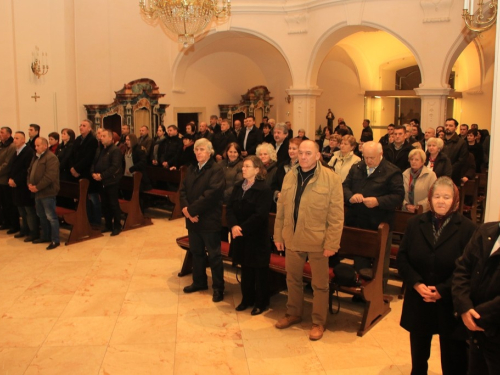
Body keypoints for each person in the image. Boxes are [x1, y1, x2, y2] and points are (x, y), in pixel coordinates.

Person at [397, 177, 476, 375]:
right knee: (419, 356)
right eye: (437, 196)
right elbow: (403, 257)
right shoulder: (415, 223)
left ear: (455, 201)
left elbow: (469, 268)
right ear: (430, 199)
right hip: (419, 297)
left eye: (446, 197)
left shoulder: (468, 228)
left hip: (451, 301)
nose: (441, 201)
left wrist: (442, 290)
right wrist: (415, 283)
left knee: (454, 358)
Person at [274, 140, 344, 341]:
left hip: (318, 241)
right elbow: (282, 209)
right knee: (292, 279)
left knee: (320, 285)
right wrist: (278, 235)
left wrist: (332, 243)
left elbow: (336, 215)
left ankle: (318, 322)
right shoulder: (290, 176)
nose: (303, 157)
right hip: (293, 238)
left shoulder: (331, 179)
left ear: (318, 155)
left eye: (308, 153)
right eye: (301, 153)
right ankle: (293, 312)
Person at [343, 141, 404, 289]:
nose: (368, 161)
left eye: (372, 158)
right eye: (366, 157)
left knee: (380, 258)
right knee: (360, 256)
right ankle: (361, 287)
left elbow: (398, 196)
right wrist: (351, 196)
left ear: (380, 154)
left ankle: (378, 290)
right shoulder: (357, 167)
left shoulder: (392, 171)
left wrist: (378, 201)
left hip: (379, 222)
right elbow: (344, 186)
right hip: (358, 220)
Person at [179, 138, 225, 302]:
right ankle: (199, 282)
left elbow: (211, 195)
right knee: (196, 252)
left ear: (210, 152)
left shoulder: (216, 169)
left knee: (214, 255)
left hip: (208, 219)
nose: (198, 152)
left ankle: (218, 288)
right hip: (192, 219)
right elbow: (182, 190)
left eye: (202, 149)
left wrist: (190, 210)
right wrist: (186, 210)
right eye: (196, 149)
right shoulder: (192, 168)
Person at [227, 156, 273, 315]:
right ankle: (246, 299)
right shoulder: (239, 186)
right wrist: (233, 225)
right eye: (243, 167)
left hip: (256, 236)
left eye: (247, 166)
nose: (243, 169)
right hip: (239, 234)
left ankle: (261, 302)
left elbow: (260, 215)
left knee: (259, 271)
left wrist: (241, 228)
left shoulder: (264, 189)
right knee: (245, 268)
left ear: (257, 169)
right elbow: (230, 208)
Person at [453, 220, 500, 375]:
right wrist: (465, 307)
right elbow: (463, 269)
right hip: (476, 333)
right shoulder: (486, 230)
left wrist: (477, 316)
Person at [28, 137, 61, 250]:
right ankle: (45, 236)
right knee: (41, 215)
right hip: (37, 192)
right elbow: (29, 171)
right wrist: (30, 184)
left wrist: (37, 187)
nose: (35, 147)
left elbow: (49, 177)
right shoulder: (36, 157)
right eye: (35, 146)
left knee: (51, 216)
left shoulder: (51, 158)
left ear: (45, 146)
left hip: (47, 192)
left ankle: (55, 239)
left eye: (38, 146)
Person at [91, 129, 124, 236]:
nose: (101, 137)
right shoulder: (100, 149)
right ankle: (108, 225)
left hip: (111, 181)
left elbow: (115, 167)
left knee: (113, 204)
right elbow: (94, 162)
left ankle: (117, 226)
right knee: (104, 204)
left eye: (104, 136)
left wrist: (102, 175)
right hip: (101, 181)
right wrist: (93, 173)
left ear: (110, 138)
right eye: (101, 136)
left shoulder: (115, 150)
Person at [8, 131, 38, 242]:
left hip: (24, 186)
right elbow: (13, 167)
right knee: (21, 210)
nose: (14, 140)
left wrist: (16, 180)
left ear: (23, 140)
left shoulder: (28, 152)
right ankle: (24, 230)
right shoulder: (16, 152)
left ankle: (33, 232)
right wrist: (10, 178)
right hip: (16, 185)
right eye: (14, 138)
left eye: (17, 138)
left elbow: (26, 170)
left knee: (28, 210)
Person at [402, 149, 437, 213]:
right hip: (406, 211)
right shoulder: (405, 174)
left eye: (416, 159)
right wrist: (406, 205)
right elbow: (399, 193)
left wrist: (418, 207)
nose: (413, 162)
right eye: (411, 159)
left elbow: (432, 195)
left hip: (424, 212)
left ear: (422, 161)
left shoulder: (431, 175)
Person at [123, 133, 152, 211]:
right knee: (127, 193)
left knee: (137, 195)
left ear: (133, 140)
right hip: (127, 176)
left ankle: (139, 211)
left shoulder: (138, 150)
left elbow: (142, 162)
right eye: (126, 140)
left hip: (138, 177)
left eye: (128, 140)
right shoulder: (126, 150)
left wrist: (132, 169)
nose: (127, 141)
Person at [0, 126, 18, 233]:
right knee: (3, 203)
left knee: (9, 203)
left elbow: (7, 164)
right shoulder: (1, 145)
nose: (0, 134)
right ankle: (5, 221)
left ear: (8, 134)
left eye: (2, 132)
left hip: (5, 179)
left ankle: (13, 224)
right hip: (0, 179)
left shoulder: (11, 146)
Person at [442, 118, 469, 186]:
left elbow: (461, 160)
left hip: (454, 176)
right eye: (446, 125)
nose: (447, 127)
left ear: (456, 128)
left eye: (450, 126)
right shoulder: (440, 141)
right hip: (439, 174)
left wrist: (448, 170)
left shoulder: (461, 143)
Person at [274, 138, 302, 203]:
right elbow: (274, 184)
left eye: (294, 149)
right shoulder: (282, 165)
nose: (291, 151)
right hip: (282, 200)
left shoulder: (303, 167)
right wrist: (277, 193)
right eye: (289, 148)